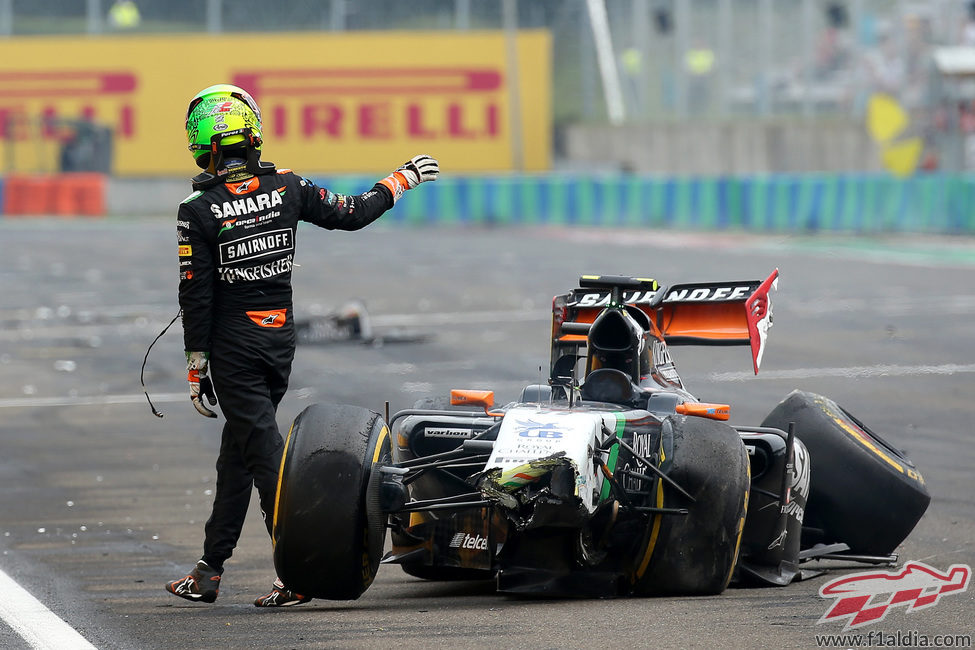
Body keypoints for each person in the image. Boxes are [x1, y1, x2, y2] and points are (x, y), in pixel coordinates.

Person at [164, 84, 438, 607]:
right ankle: (208, 569)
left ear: (205, 145)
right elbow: (353, 212)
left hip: (233, 349)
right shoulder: (287, 185)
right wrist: (398, 180)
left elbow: (194, 292)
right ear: (253, 134)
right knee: (238, 456)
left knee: (264, 455)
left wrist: (196, 362)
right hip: (277, 343)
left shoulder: (196, 208)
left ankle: (296, 572)